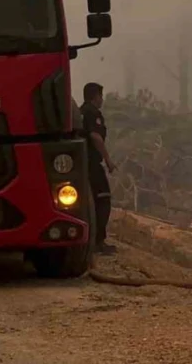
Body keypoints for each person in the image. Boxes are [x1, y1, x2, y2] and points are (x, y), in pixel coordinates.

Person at [80, 82, 117, 255]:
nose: (102, 100)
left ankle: (90, 239)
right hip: (92, 164)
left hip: (81, 164)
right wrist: (108, 160)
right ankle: (98, 241)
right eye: (101, 96)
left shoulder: (79, 112)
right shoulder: (92, 113)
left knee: (90, 201)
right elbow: (95, 136)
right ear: (95, 97)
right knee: (103, 199)